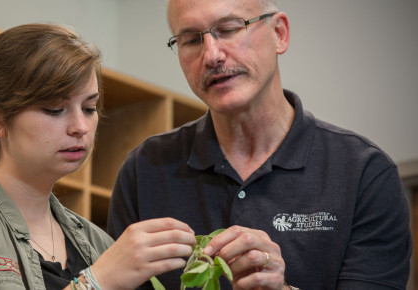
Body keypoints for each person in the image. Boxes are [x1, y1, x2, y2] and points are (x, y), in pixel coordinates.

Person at [107, 0, 412, 289]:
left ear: (279, 34)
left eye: (229, 29)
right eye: (191, 40)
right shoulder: (144, 170)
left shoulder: (365, 173)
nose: (211, 55)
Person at [0, 23, 196, 290]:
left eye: (89, 108)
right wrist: (94, 283)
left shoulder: (98, 243)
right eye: (54, 109)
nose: (80, 127)